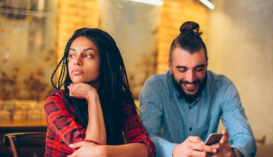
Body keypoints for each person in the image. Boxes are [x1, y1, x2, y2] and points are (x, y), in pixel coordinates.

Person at [139, 21, 256, 157]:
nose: (190, 78)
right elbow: (144, 139)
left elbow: (245, 138)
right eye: (182, 69)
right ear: (170, 66)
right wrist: (175, 150)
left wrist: (233, 154)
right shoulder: (154, 87)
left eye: (199, 69)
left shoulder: (224, 87)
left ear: (206, 63)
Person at [44, 28, 155, 157]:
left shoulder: (120, 100)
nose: (76, 61)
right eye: (72, 55)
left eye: (87, 55)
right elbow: (89, 154)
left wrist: (104, 151)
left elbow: (146, 149)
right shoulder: (56, 101)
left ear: (105, 62)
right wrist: (92, 97)